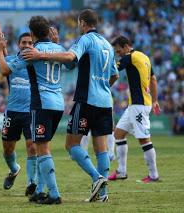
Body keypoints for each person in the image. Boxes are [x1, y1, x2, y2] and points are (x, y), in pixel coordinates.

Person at [22, 9, 119, 202]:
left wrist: (41, 56)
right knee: (101, 148)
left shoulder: (86, 39)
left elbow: (69, 58)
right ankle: (103, 194)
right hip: (106, 101)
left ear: (82, 23)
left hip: (86, 100)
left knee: (71, 144)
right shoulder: (108, 43)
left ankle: (97, 178)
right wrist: (102, 87)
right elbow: (114, 75)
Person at [0, 16, 73, 205]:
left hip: (41, 103)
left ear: (32, 33)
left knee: (42, 149)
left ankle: (54, 194)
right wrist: (56, 45)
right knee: (40, 148)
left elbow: (5, 70)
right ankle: (39, 190)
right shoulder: (59, 48)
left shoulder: (31, 51)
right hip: (58, 104)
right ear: (48, 31)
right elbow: (71, 64)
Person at [0, 33, 38, 196]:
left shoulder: (38, 61)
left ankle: (32, 183)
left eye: (30, 43)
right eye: (24, 42)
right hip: (12, 112)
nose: (27, 45)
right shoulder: (11, 61)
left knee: (32, 146)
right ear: (18, 45)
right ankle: (14, 169)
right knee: (7, 150)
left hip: (31, 111)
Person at [108, 35, 160, 183]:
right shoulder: (144, 57)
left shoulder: (130, 57)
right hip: (137, 105)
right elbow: (154, 79)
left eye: (118, 51)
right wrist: (155, 100)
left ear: (125, 46)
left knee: (144, 139)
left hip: (139, 105)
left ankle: (154, 175)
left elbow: (114, 70)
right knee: (118, 134)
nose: (118, 54)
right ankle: (121, 172)